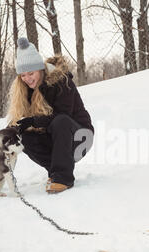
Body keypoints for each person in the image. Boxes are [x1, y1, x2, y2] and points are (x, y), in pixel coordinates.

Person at [7, 37, 94, 193]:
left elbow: (63, 117)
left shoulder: (61, 82)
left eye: (31, 73)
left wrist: (34, 120)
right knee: (22, 135)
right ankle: (55, 171)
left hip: (81, 138)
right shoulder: (25, 89)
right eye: (23, 75)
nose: (27, 79)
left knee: (60, 121)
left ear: (40, 69)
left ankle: (63, 177)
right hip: (59, 140)